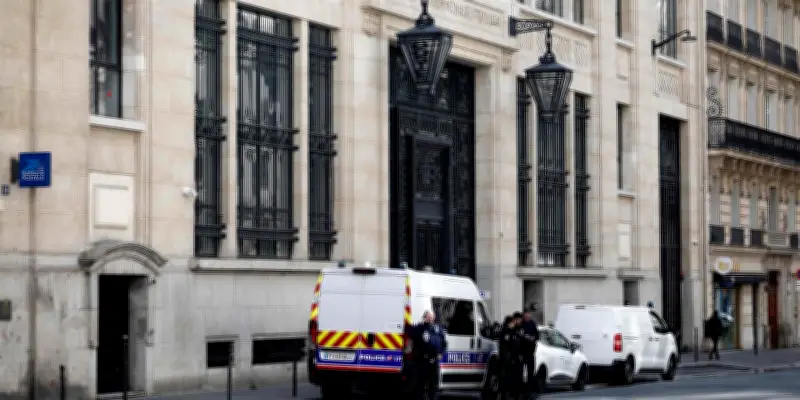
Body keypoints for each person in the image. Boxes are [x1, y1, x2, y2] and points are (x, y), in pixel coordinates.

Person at [411, 310, 447, 400]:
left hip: (434, 362)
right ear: (424, 318)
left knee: (433, 387)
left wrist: (441, 353)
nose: (430, 319)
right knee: (420, 387)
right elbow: (413, 342)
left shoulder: (438, 329)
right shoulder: (419, 328)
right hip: (421, 362)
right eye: (428, 317)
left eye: (432, 317)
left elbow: (444, 343)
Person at [499, 315, 522, 400]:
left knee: (513, 377)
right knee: (506, 377)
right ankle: (505, 394)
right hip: (507, 358)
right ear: (509, 323)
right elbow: (506, 345)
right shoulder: (506, 331)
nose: (514, 324)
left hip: (513, 358)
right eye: (512, 322)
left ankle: (513, 394)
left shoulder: (514, 331)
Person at [520, 306, 541, 399]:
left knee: (530, 373)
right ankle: (522, 392)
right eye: (526, 314)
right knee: (520, 373)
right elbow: (519, 335)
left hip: (531, 352)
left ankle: (529, 392)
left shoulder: (532, 324)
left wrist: (533, 338)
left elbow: (537, 335)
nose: (527, 316)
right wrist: (525, 337)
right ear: (523, 315)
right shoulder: (521, 324)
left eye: (528, 314)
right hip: (522, 352)